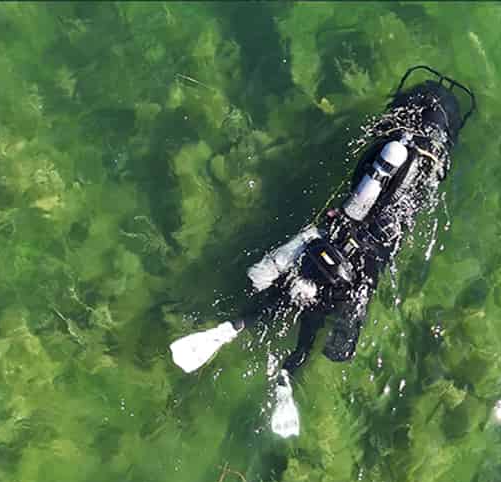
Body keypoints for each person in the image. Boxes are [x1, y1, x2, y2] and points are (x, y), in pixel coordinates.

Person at [170, 66, 474, 435]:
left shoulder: (387, 148)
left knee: (277, 298)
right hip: (356, 268)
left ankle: (230, 328)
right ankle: (285, 377)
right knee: (309, 334)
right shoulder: (429, 169)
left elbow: (359, 187)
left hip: (326, 242)